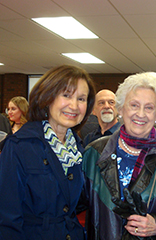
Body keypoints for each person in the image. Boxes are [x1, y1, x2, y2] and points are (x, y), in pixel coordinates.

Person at [80, 72, 156, 240]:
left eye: (149, 107)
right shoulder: (94, 153)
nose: (141, 114)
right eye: (134, 105)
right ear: (121, 109)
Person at [0, 65, 96, 240]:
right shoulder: (20, 145)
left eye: (81, 99)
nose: (74, 105)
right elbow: (7, 216)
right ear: (47, 98)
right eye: (66, 95)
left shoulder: (79, 148)